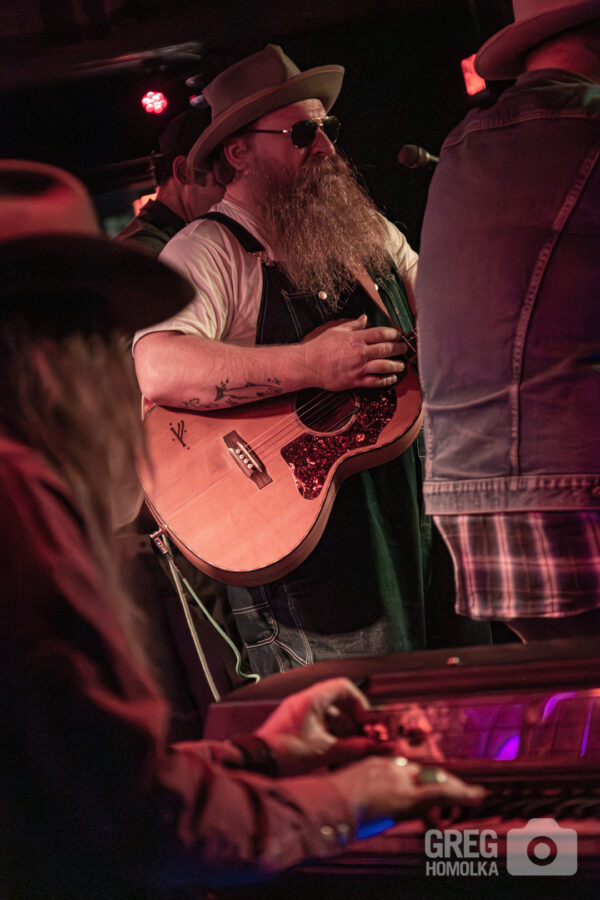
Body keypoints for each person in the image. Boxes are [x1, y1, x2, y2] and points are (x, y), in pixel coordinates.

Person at [0, 159, 484, 898]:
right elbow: (138, 823)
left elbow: (98, 774)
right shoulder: (19, 503)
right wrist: (348, 800)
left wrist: (265, 754)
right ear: (48, 347)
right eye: (98, 331)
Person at [133, 44, 436, 677]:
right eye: (302, 133)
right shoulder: (208, 249)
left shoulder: (366, 232)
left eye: (326, 129)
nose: (324, 147)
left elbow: (440, 309)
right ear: (239, 153)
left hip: (415, 517)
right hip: (315, 562)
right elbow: (159, 366)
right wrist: (313, 367)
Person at [416, 0, 600, 642]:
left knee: (575, 686)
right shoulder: (588, 121)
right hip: (566, 485)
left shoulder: (461, 143)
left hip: (466, 496)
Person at [116, 106, 224, 256]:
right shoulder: (145, 252)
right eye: (226, 176)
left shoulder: (159, 239)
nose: (236, 192)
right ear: (184, 172)